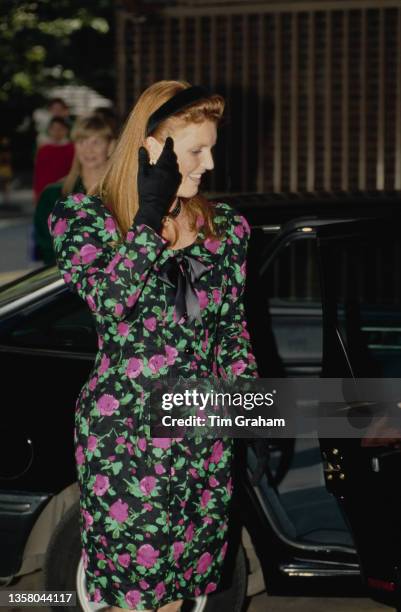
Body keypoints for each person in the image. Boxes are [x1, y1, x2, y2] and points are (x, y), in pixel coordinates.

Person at [49, 80, 257, 612]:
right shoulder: (84, 219)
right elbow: (109, 302)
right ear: (152, 151)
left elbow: (232, 329)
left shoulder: (226, 227)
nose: (208, 163)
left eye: (212, 147)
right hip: (126, 437)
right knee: (133, 598)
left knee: (179, 597)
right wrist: (148, 217)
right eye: (195, 151)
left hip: (203, 433)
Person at [34, 115, 116, 264]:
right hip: (64, 282)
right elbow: (47, 248)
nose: (88, 149)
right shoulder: (52, 195)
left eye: (96, 142)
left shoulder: (122, 195)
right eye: (82, 142)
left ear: (110, 146)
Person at [33, 117, 75, 202]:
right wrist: (36, 193)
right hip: (46, 191)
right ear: (49, 131)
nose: (57, 132)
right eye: (53, 129)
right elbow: (38, 173)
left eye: (60, 129)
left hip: (66, 190)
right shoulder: (44, 150)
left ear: (66, 130)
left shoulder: (73, 149)